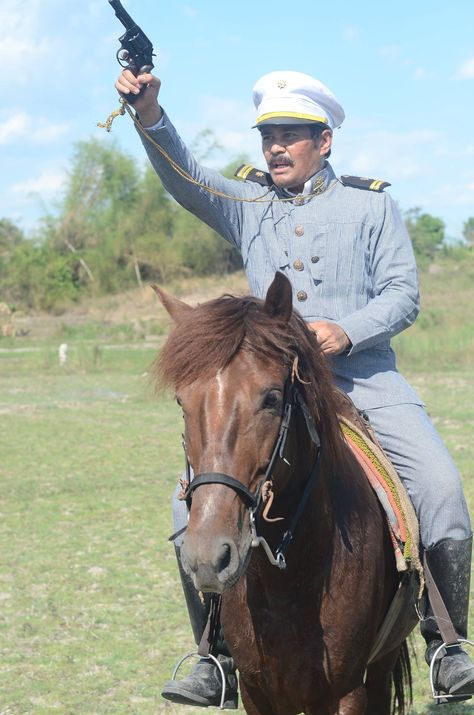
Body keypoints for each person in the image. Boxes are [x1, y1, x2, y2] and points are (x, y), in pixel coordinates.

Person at [115, 68, 474, 706]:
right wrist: (150, 115)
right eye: (268, 138)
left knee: (441, 487)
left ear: (324, 142)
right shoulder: (249, 206)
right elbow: (188, 181)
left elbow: (403, 294)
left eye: (290, 136)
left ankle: (444, 642)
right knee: (186, 508)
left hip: (363, 381)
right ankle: (216, 656)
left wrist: (348, 331)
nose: (275, 148)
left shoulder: (371, 206)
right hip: (272, 393)